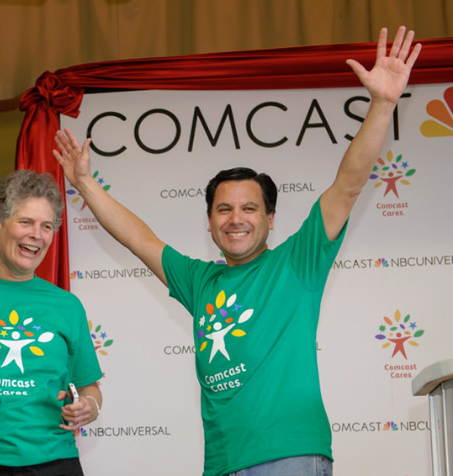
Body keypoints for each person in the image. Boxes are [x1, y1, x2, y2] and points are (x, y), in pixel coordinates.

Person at [53, 26, 420, 476]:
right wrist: (86, 183)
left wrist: (382, 103)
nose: (236, 218)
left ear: (271, 219)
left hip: (288, 456)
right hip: (222, 463)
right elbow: (139, 238)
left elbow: (347, 185)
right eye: (223, 209)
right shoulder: (200, 281)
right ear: (209, 224)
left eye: (250, 208)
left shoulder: (297, 263)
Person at [0, 169, 103, 476]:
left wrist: (89, 407)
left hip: (54, 463)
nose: (36, 235)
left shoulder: (67, 305)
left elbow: (89, 388)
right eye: (25, 222)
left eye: (46, 226)